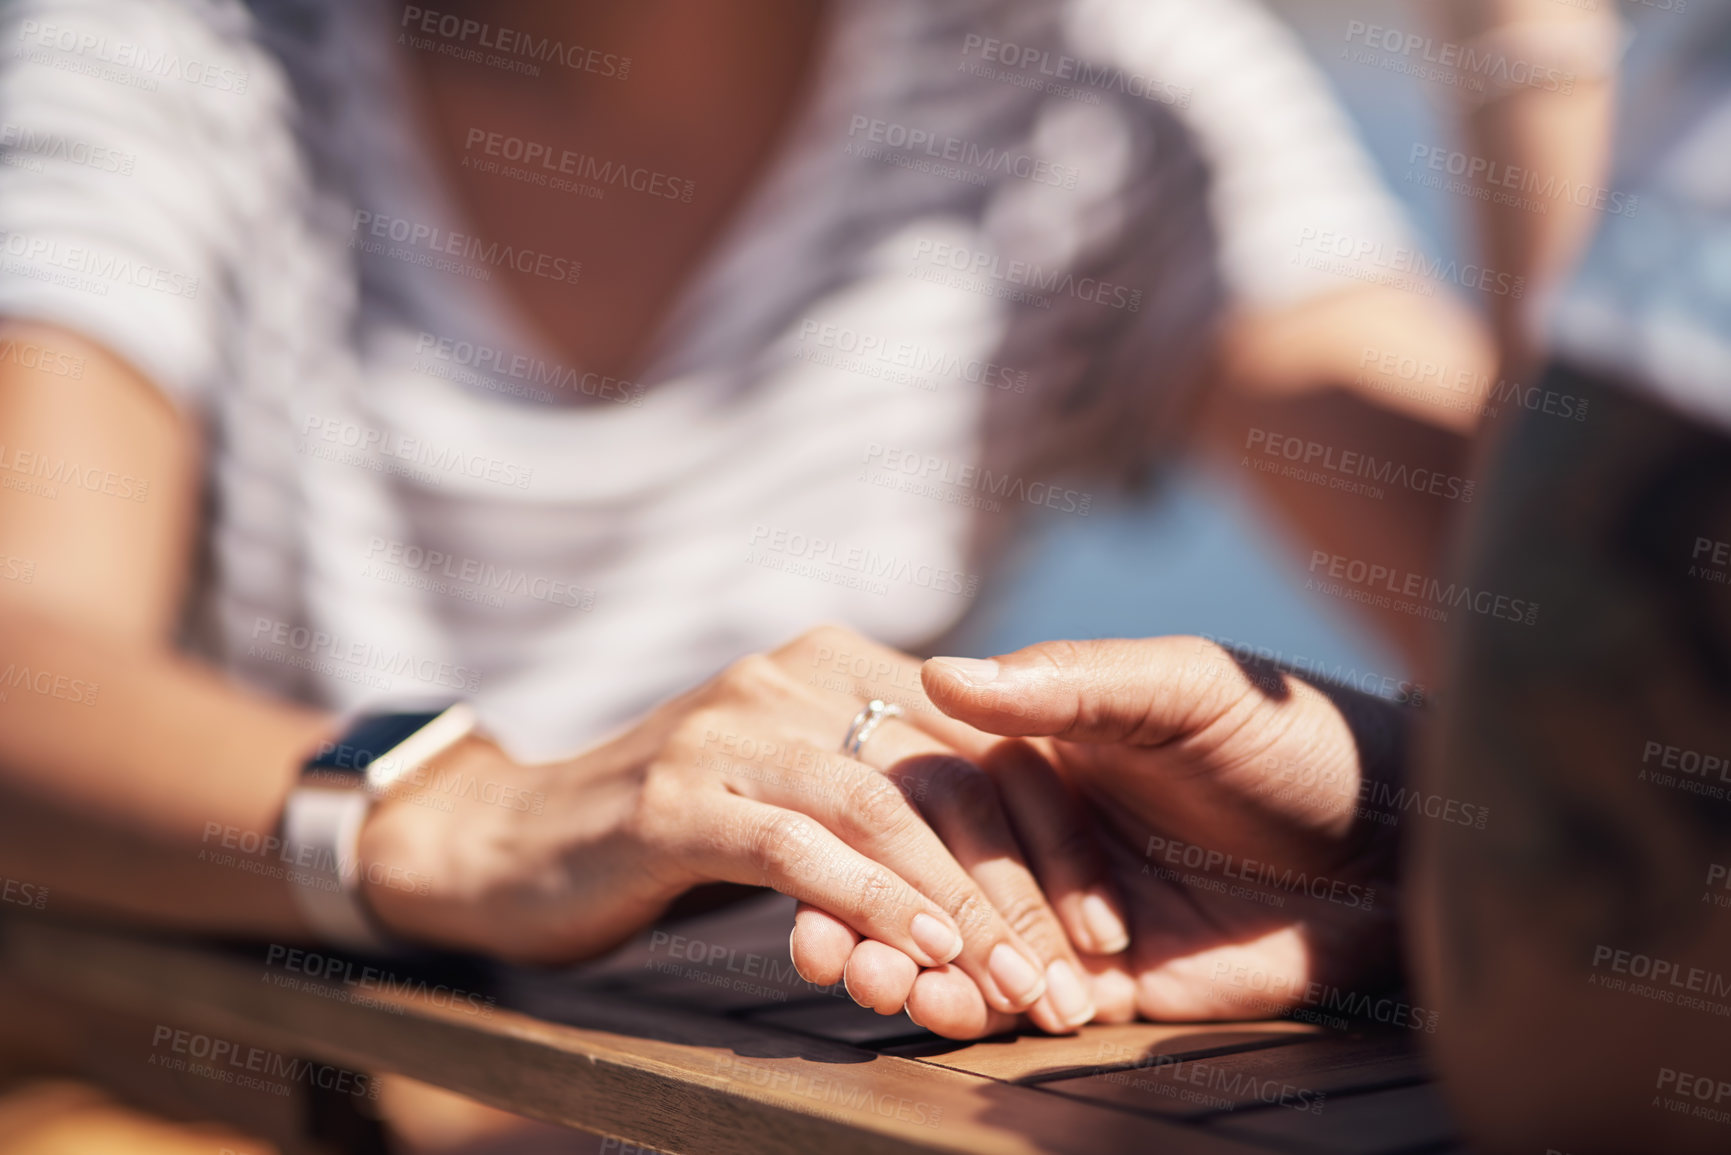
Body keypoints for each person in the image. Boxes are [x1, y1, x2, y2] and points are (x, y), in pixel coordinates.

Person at [0, 0, 1489, 1054]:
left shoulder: (1086, 81)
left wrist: (1525, 41)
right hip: (216, 1081)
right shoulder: (177, 50)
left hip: (769, 1060)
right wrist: (473, 816)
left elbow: (1585, 666)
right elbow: (29, 666)